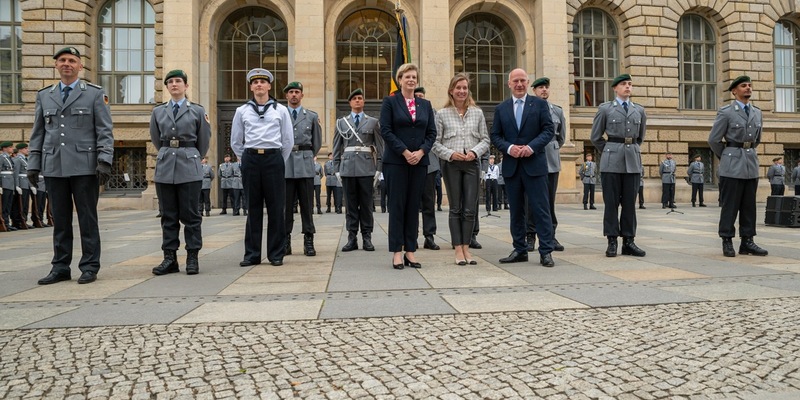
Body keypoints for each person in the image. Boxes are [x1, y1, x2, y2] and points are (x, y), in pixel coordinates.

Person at [29, 46, 114, 284]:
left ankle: (89, 266)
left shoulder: (95, 94)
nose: (67, 64)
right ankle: (60, 267)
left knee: (87, 219)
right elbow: (38, 132)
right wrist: (34, 163)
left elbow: (104, 130)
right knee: (60, 220)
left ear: (80, 66)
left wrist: (104, 160)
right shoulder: (44, 95)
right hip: (54, 165)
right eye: (63, 60)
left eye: (72, 60)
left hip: (85, 166)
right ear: (56, 65)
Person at [490, 68, 555, 267]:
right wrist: (509, 148)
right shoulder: (501, 108)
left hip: (535, 165)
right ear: (509, 84)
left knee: (541, 209)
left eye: (522, 81)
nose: (519, 84)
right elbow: (495, 136)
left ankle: (546, 251)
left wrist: (531, 147)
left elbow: (548, 130)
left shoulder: (539, 104)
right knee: (516, 211)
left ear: (528, 83)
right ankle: (519, 249)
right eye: (515, 81)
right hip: (512, 167)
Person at [149, 69, 211, 276]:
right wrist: (168, 153)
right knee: (168, 215)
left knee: (191, 215)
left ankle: (192, 256)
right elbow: (157, 138)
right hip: (166, 166)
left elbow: (203, 141)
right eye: (170, 82)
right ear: (166, 87)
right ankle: (170, 258)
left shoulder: (197, 111)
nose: (174, 84)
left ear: (186, 86)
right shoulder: (158, 112)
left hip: (189, 166)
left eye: (178, 81)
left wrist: (191, 155)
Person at [230, 68, 294, 267]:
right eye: (255, 82)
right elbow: (236, 141)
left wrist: (277, 159)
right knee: (253, 208)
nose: (259, 85)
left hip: (273, 159)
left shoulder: (280, 110)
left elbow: (288, 140)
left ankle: (276, 254)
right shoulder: (242, 111)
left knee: (276, 208)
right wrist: (246, 159)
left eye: (262, 82)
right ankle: (252, 254)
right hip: (251, 159)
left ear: (269, 86)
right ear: (251, 87)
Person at [380, 63, 436, 269]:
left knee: (413, 206)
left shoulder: (425, 105)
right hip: (396, 162)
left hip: (419, 162)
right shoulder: (390, 102)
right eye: (407, 77)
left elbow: (432, 133)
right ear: (400, 80)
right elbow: (386, 130)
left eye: (414, 77)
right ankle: (397, 251)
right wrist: (404, 152)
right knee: (397, 206)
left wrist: (421, 152)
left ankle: (410, 251)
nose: (411, 80)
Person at [432, 72, 490, 265]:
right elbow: (435, 143)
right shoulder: (442, 114)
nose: (462, 91)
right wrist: (450, 154)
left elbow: (485, 140)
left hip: (471, 164)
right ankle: (457, 249)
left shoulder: (477, 113)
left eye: (465, 88)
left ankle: (466, 247)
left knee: (470, 209)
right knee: (455, 208)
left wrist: (474, 152)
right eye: (458, 88)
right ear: (451, 91)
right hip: (452, 165)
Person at [708, 75, 768, 257]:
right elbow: (713, 140)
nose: (748, 88)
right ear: (734, 91)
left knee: (749, 206)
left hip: (750, 164)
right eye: (743, 86)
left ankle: (747, 241)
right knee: (730, 206)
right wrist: (727, 155)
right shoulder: (726, 112)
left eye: (749, 85)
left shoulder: (757, 112)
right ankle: (727, 240)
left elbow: (757, 139)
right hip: (732, 165)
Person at [590, 73, 646, 258]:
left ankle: (629, 241)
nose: (627, 87)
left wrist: (631, 149)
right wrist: (609, 150)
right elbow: (595, 137)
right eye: (623, 84)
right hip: (611, 162)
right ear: (615, 88)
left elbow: (640, 137)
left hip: (632, 162)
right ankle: (612, 240)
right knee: (611, 203)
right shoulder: (605, 109)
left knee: (630, 203)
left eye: (629, 84)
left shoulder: (639, 110)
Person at [333, 88, 383, 252]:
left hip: (367, 169)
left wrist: (379, 168)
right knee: (351, 205)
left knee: (367, 205)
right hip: (347, 168)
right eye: (354, 99)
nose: (357, 101)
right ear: (349, 102)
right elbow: (336, 147)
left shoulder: (373, 122)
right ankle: (351, 237)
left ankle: (367, 237)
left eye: (360, 98)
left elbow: (380, 147)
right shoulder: (341, 122)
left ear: (363, 102)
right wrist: (336, 169)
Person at [282, 81, 322, 257]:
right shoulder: (280, 114)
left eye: (297, 92)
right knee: (286, 207)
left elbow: (317, 143)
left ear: (302, 95)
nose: (294, 95)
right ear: (286, 95)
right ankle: (285, 241)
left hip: (305, 165)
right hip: (286, 164)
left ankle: (309, 240)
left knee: (307, 205)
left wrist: (307, 155)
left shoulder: (311, 116)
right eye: (291, 92)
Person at [531, 77, 566, 252]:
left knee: (549, 201)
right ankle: (530, 236)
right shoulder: (529, 109)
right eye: (540, 88)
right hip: (533, 158)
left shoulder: (557, 111)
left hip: (551, 160)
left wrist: (551, 148)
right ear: (534, 91)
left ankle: (551, 235)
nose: (544, 90)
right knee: (531, 201)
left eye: (546, 87)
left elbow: (561, 138)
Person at [415, 86, 441, 251]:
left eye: (421, 96)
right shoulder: (407, 112)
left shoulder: (433, 113)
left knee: (429, 202)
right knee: (411, 203)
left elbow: (436, 135)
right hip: (410, 161)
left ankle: (429, 236)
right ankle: (411, 236)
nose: (419, 98)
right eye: (417, 96)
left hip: (429, 162)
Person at [13, 143, 34, 229]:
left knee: (25, 204)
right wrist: (17, 185)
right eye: (25, 148)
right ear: (20, 150)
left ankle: (24, 220)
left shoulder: (25, 159)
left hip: (26, 184)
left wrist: (31, 185)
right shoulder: (18, 159)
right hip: (22, 184)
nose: (27, 150)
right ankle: (18, 222)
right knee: (20, 204)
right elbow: (16, 173)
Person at [0, 141, 16, 231]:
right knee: (4, 205)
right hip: (5, 184)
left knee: (8, 205)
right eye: (10, 147)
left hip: (10, 184)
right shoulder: (1, 158)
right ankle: (3, 223)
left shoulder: (9, 158)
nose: (12, 149)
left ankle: (6, 222)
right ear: (4, 148)